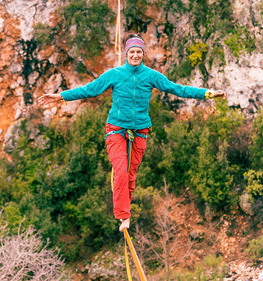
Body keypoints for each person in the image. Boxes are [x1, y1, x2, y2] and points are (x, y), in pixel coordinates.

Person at [39, 34, 226, 232]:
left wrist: (207, 93)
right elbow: (89, 90)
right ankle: (123, 216)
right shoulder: (115, 74)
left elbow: (178, 89)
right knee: (120, 171)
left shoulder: (151, 76)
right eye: (132, 52)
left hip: (139, 132)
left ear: (143, 54)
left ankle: (124, 211)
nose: (135, 55)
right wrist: (60, 96)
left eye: (138, 52)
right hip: (116, 130)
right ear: (126, 54)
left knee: (130, 174)